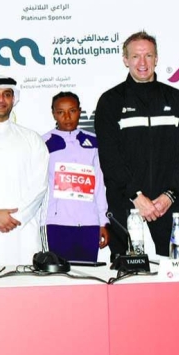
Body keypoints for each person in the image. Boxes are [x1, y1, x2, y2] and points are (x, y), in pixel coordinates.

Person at [95, 31, 179, 257]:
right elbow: (110, 158)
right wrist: (136, 196)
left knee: (177, 279)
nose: (142, 63)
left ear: (156, 59)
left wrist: (170, 195)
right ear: (125, 60)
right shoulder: (110, 101)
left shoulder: (177, 99)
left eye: (148, 56)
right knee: (127, 278)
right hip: (126, 204)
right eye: (136, 56)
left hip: (168, 205)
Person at [0, 76, 48, 266]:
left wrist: (17, 218)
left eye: (7, 94)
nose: (1, 100)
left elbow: (40, 184)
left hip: (22, 229)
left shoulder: (32, 139)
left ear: (13, 99)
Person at [42, 91, 109, 263]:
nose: (67, 117)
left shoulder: (94, 142)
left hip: (90, 224)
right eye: (60, 112)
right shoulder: (43, 143)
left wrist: (103, 222)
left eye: (72, 111)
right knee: (60, 281)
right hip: (57, 224)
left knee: (88, 280)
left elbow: (100, 185)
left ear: (79, 111)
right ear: (53, 114)